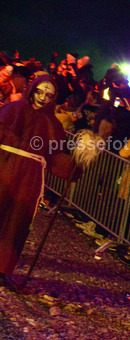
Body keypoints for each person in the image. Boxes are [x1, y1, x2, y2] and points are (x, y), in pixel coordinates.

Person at [0, 73, 68, 285]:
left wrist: (77, 162)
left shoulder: (54, 125)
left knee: (17, 222)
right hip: (4, 166)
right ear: (32, 90)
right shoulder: (11, 110)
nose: (43, 97)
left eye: (49, 95)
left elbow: (58, 157)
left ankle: (2, 267)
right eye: (39, 92)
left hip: (29, 178)